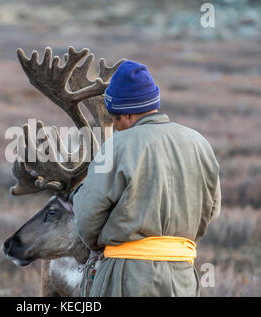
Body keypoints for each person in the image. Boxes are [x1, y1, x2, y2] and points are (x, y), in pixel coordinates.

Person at [72, 60, 221, 297]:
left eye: (116, 120)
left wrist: (106, 241)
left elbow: (87, 216)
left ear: (127, 113)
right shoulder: (199, 143)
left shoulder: (117, 147)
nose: (117, 127)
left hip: (125, 277)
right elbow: (212, 211)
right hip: (183, 277)